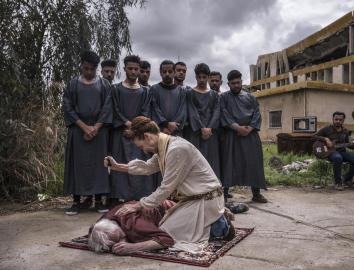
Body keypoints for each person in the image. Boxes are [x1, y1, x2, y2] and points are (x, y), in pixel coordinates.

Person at [104, 116, 232, 253]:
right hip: (194, 199)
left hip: (206, 200)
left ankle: (219, 225)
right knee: (163, 225)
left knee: (167, 232)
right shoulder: (165, 146)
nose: (143, 150)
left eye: (141, 146)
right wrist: (118, 167)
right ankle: (213, 222)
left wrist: (138, 205)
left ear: (147, 137)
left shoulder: (176, 149)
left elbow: (166, 188)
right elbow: (148, 167)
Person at [63, 50, 112, 215]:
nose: (89, 72)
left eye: (92, 69)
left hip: (99, 131)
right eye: (86, 68)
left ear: (96, 68)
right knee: (78, 164)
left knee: (99, 165)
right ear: (81, 66)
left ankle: (98, 200)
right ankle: (77, 201)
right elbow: (68, 107)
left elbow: (107, 107)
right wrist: (84, 127)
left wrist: (96, 127)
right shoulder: (73, 84)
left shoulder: (104, 84)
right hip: (78, 130)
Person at [110, 55, 158, 203]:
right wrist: (126, 123)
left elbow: (145, 111)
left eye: (136, 69)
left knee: (140, 163)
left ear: (139, 70)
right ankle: (119, 197)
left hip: (139, 134)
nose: (133, 71)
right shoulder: (116, 89)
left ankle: (141, 197)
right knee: (121, 164)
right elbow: (115, 109)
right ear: (124, 69)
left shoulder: (145, 91)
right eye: (130, 68)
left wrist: (135, 127)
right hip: (121, 133)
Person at [220, 70, 267, 203]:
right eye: (233, 83)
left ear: (241, 82)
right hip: (232, 135)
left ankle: (256, 194)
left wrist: (250, 128)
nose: (236, 85)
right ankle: (224, 194)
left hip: (250, 135)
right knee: (229, 164)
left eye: (238, 82)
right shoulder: (223, 98)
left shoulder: (251, 97)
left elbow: (257, 114)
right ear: (228, 84)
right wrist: (237, 128)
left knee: (254, 163)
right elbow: (224, 115)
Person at [88, 200, 176, 254]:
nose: (122, 242)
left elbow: (168, 240)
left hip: (171, 210)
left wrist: (134, 247)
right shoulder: (100, 224)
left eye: (121, 237)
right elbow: (93, 233)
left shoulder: (136, 225)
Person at [184, 63, 220, 178]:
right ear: (195, 77)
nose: (201, 80)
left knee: (212, 162)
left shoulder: (214, 95)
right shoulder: (190, 93)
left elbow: (216, 112)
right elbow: (191, 111)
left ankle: (212, 191)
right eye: (199, 77)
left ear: (208, 78)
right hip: (195, 133)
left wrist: (209, 128)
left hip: (211, 134)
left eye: (204, 77)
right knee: (195, 161)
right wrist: (201, 128)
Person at [314, 111, 354, 190]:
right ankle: (338, 183)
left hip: (342, 152)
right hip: (330, 153)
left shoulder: (345, 131)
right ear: (333, 119)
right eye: (336, 119)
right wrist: (326, 139)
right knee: (337, 158)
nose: (338, 121)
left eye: (340, 120)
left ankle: (346, 179)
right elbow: (314, 136)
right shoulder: (326, 129)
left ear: (343, 121)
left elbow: (347, 144)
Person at [149, 60, 187, 137]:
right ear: (160, 73)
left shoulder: (181, 91)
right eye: (164, 71)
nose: (167, 74)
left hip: (176, 131)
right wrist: (164, 125)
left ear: (174, 72)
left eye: (170, 71)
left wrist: (173, 126)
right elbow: (154, 110)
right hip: (159, 131)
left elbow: (182, 111)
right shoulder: (154, 89)